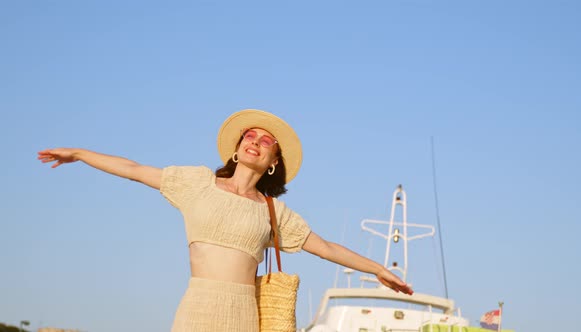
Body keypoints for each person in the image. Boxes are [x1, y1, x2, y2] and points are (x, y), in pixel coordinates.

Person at [37, 109, 413, 332]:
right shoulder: (196, 183)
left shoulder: (272, 211)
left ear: (273, 162)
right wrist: (81, 153)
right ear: (235, 149)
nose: (255, 141)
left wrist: (378, 268)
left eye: (266, 142)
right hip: (197, 306)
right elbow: (134, 169)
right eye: (249, 136)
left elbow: (326, 247)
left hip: (244, 313)